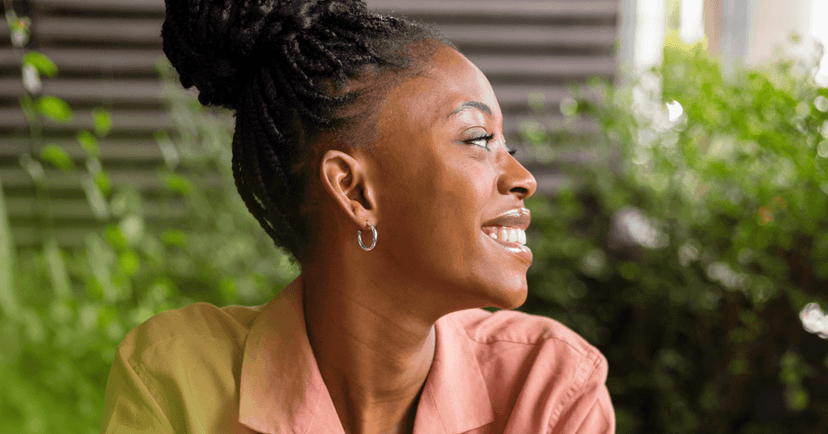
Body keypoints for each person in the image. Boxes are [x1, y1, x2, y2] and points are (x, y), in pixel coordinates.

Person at [100, 0, 615, 433]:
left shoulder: (550, 389)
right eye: (479, 139)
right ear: (354, 190)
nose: (524, 178)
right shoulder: (180, 381)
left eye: (507, 146)